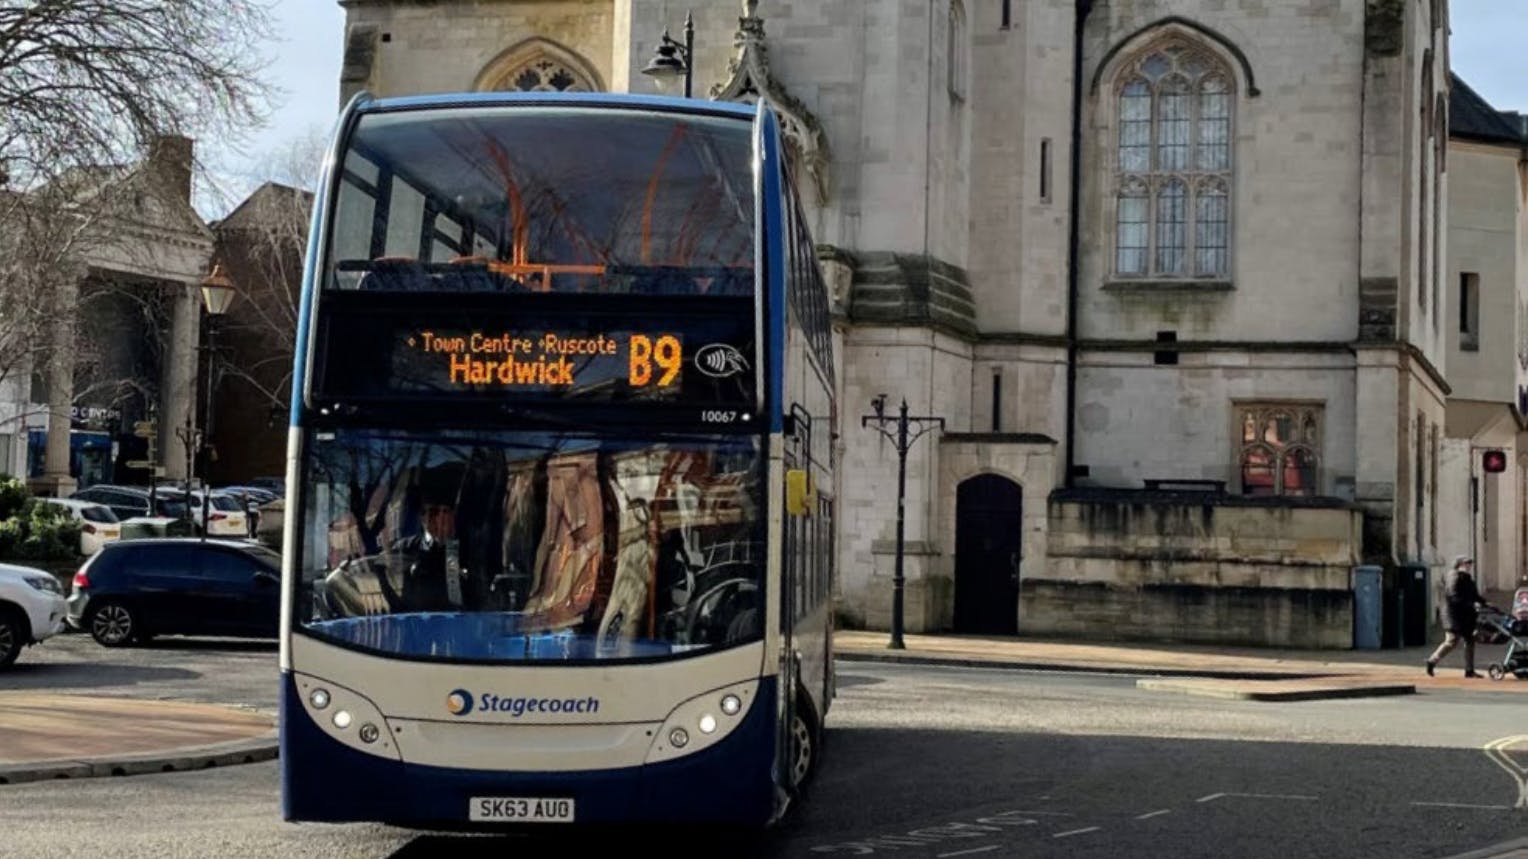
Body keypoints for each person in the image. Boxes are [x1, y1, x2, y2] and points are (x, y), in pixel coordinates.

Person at [1426, 556, 1491, 678]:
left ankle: (1469, 670)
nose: (1469, 566)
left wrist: (1485, 603)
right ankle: (1432, 661)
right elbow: (1454, 596)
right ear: (1459, 565)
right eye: (1466, 563)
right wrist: (1471, 604)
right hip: (1453, 615)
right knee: (1451, 641)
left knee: (1470, 640)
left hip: (1466, 615)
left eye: (1470, 563)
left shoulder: (1468, 579)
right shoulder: (1454, 577)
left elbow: (1474, 595)